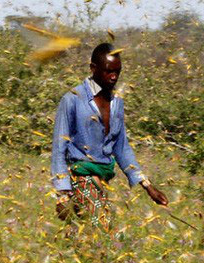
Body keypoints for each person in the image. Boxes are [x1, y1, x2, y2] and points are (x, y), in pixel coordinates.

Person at [51, 42, 168, 233]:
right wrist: (62, 191)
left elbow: (121, 147)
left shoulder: (117, 102)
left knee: (82, 231)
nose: (114, 77)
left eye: (117, 71)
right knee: (103, 228)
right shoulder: (72, 99)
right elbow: (59, 146)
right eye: (108, 71)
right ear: (93, 68)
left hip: (103, 175)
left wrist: (146, 185)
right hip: (80, 174)